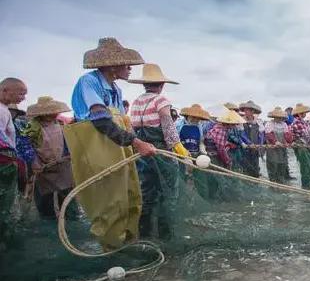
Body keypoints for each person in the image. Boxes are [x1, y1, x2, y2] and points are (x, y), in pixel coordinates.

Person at [68, 38, 155, 248]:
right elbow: (101, 120)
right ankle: (112, 249)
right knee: (110, 202)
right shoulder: (89, 82)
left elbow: (123, 123)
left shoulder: (116, 90)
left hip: (118, 146)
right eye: (127, 65)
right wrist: (135, 142)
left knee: (131, 195)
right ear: (113, 65)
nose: (130, 69)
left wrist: (138, 142)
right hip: (97, 146)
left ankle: (129, 241)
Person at [128, 63, 188, 239]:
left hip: (142, 154)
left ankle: (145, 235)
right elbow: (169, 128)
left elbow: (132, 130)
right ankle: (165, 235)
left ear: (144, 84)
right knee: (168, 195)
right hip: (161, 153)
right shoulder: (161, 101)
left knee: (147, 194)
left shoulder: (136, 102)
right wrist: (179, 149)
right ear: (161, 85)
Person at [22, 96, 77, 219]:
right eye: (51, 111)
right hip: (43, 168)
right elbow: (25, 144)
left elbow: (66, 143)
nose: (54, 113)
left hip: (62, 165)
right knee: (45, 200)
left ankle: (71, 219)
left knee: (68, 196)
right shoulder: (32, 126)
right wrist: (34, 161)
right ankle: (48, 222)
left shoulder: (60, 123)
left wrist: (69, 154)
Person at [0, 78, 27, 242]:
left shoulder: (4, 110)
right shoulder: (2, 111)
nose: (23, 98)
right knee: (6, 208)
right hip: (4, 162)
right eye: (21, 93)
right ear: (5, 90)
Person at [264, 107, 293, 182]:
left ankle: (281, 180)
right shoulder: (269, 124)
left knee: (282, 163)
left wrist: (288, 142)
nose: (280, 119)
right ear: (274, 117)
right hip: (272, 148)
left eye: (281, 117)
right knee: (273, 163)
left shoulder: (284, 125)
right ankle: (273, 181)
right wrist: (275, 142)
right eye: (278, 117)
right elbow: (269, 135)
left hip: (282, 148)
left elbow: (287, 135)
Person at [290, 103, 310, 188]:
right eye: (304, 112)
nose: (305, 114)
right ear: (300, 114)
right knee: (305, 166)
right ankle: (306, 186)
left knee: (307, 165)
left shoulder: (303, 122)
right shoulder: (297, 122)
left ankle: (307, 184)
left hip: (303, 144)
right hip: (300, 145)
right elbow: (306, 135)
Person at [237, 101, 263, 177]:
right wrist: (249, 143)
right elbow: (241, 134)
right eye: (245, 110)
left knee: (255, 163)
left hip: (256, 147)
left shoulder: (258, 121)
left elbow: (261, 134)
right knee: (245, 165)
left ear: (252, 111)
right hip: (245, 148)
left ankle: (256, 177)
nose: (245, 112)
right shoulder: (241, 121)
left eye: (247, 110)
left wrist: (260, 144)